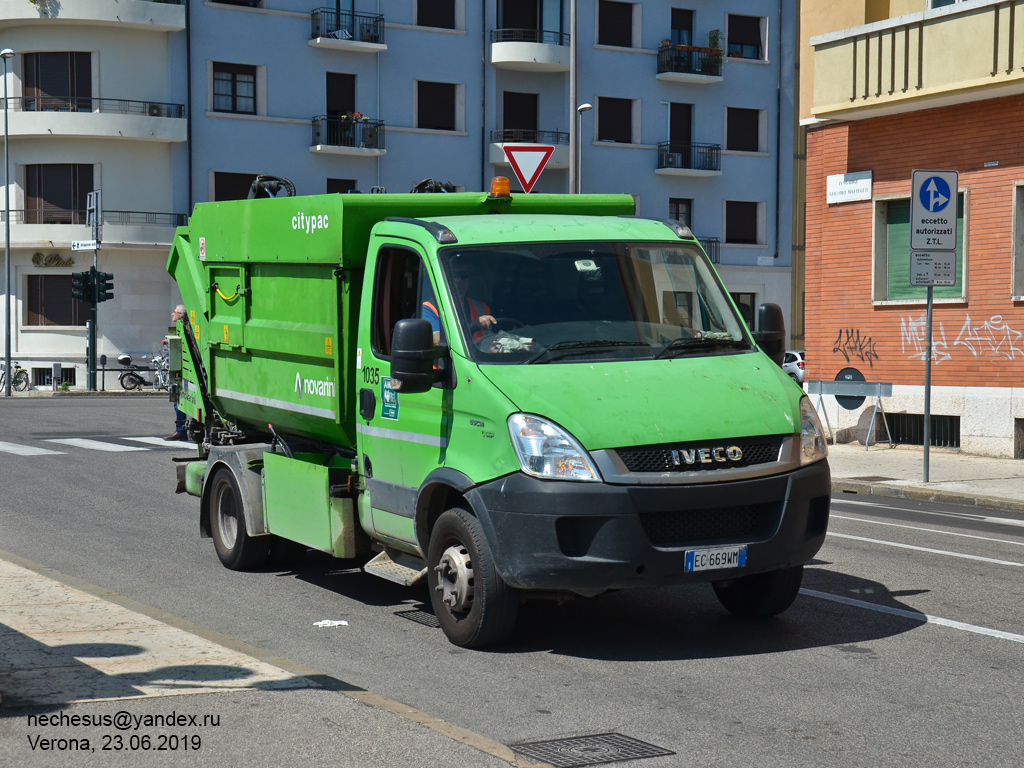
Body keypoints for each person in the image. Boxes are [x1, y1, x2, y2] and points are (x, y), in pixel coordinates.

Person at [421, 261, 496, 343]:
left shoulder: (481, 307)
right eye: (452, 275)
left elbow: (500, 335)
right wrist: (472, 327)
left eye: (463, 275)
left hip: (483, 354)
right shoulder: (428, 309)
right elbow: (436, 340)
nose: (458, 280)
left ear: (469, 280)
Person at [164, 305, 188, 441]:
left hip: (181, 372)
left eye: (175, 312)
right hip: (178, 370)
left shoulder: (183, 330)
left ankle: (181, 430)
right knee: (177, 401)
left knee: (178, 401)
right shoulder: (180, 330)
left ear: (181, 315)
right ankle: (181, 429)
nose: (172, 314)